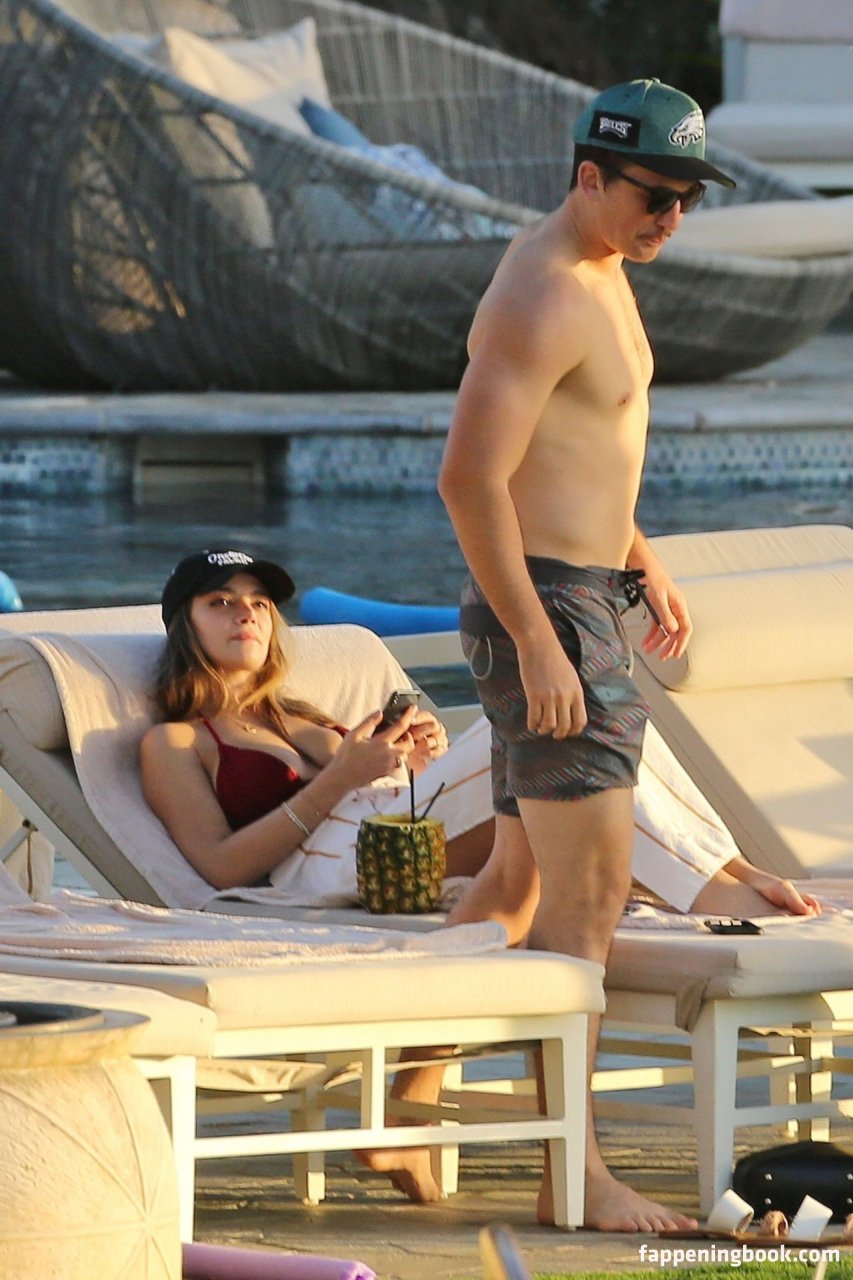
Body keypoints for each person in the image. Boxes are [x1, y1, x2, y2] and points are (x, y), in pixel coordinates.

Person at [429, 77, 822, 1232]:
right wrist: (540, 640)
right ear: (589, 174)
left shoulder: (599, 264)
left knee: (515, 883)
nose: (671, 218)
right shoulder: (546, 290)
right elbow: (468, 479)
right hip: (548, 609)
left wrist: (638, 554)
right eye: (654, 194)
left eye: (688, 198)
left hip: (583, 592)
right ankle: (577, 1174)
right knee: (588, 901)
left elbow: (580, 440)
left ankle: (410, 1090)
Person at [140, 546, 819, 1212]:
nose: (246, 614)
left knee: (603, 722)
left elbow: (383, 794)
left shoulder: (304, 717)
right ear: (183, 625)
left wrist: (414, 765)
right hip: (314, 867)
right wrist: (344, 776)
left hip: (394, 835)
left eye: (259, 603)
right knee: (551, 724)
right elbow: (220, 865)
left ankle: (727, 869)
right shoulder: (175, 741)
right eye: (220, 603)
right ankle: (717, 883)